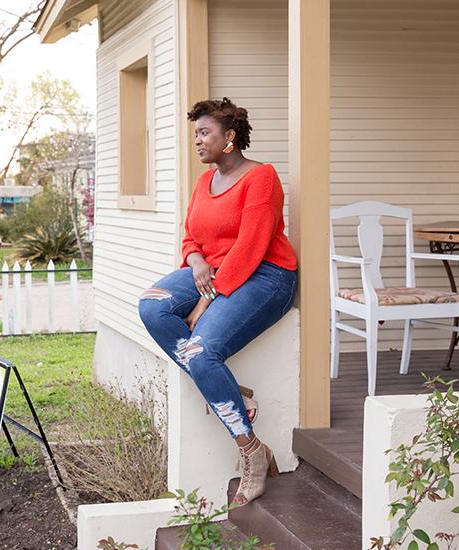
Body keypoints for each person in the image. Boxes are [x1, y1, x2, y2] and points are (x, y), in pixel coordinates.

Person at [138, 97, 298, 505]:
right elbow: (190, 234)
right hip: (210, 272)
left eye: (204, 132)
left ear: (229, 137)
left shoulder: (261, 177)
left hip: (265, 276)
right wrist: (194, 263)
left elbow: (250, 247)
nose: (197, 140)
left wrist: (204, 302)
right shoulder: (203, 183)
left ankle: (252, 452)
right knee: (152, 305)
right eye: (195, 133)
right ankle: (228, 390)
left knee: (200, 352)